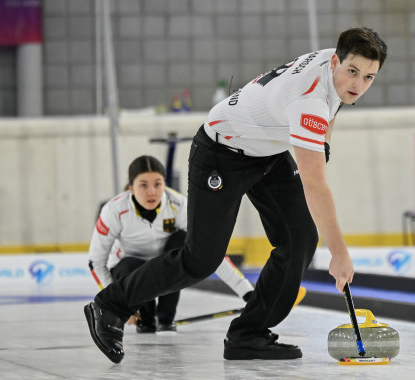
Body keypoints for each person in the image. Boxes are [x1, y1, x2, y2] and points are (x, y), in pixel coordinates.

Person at [84, 27, 387, 363]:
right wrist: (340, 253)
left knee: (299, 238)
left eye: (369, 77)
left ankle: (249, 334)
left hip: (266, 151)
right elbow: (315, 185)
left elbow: (334, 107)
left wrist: (323, 147)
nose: (358, 85)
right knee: (201, 259)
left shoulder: (337, 67)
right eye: (353, 72)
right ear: (335, 62)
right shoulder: (309, 101)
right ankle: (109, 305)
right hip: (220, 150)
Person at [87, 155, 254, 333]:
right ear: (131, 189)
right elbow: (95, 261)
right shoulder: (114, 210)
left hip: (165, 267)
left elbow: (210, 252)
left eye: (158, 184)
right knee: (133, 266)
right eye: (143, 185)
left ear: (164, 184)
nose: (152, 191)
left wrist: (247, 292)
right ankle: (146, 319)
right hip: (128, 269)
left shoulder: (179, 205)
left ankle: (166, 317)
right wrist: (116, 305)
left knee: (183, 240)